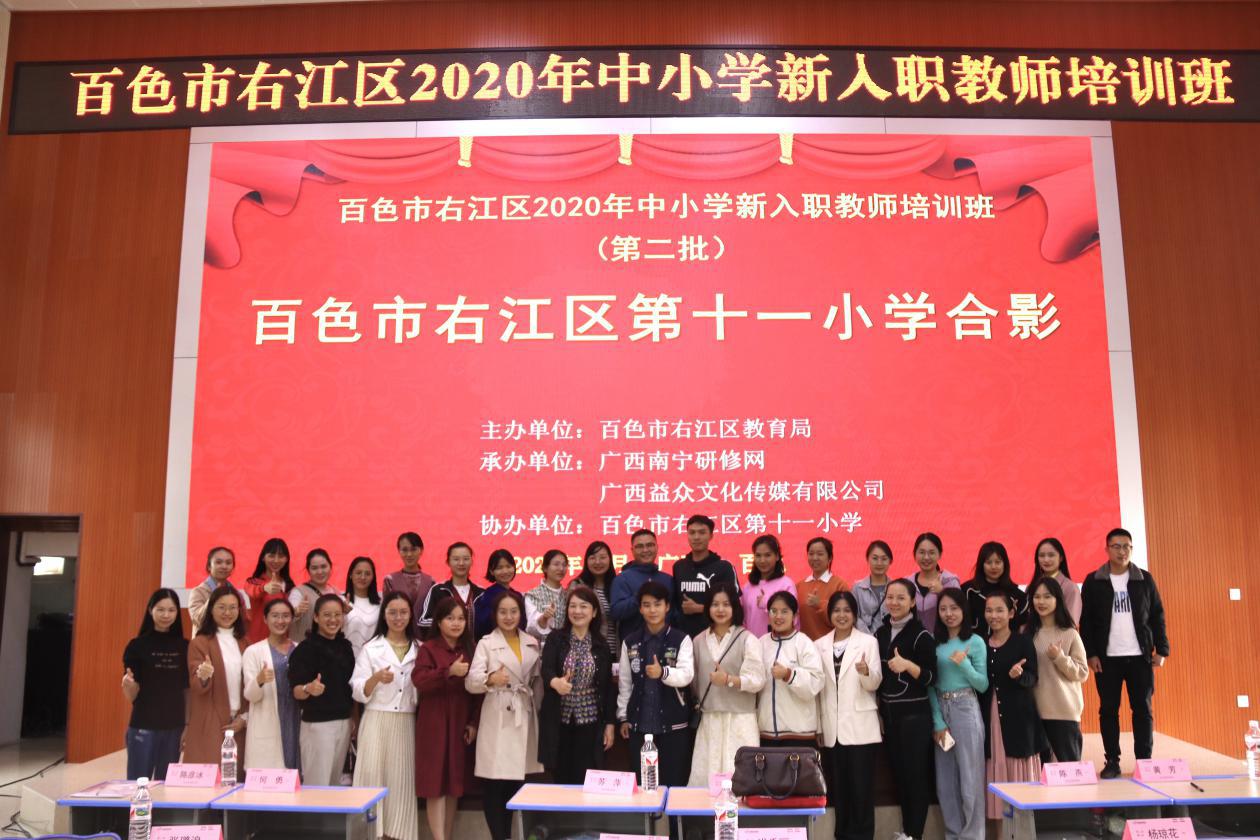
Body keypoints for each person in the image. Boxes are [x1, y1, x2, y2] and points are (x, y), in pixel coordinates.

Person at [1080, 527, 1168, 778]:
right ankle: (1112, 761)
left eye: (1126, 546)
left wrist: (1161, 649)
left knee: (1143, 710)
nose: (1122, 551)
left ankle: (1144, 762)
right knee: (1108, 710)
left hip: (1140, 656)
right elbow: (1086, 622)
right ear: (1107, 549)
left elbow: (1157, 615)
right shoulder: (1094, 581)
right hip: (1107, 659)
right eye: (1116, 546)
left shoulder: (1144, 579)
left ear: (1132, 549)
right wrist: (1091, 653)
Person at [466, 590, 543, 840]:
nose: (508, 617)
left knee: (517, 782)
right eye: (503, 612)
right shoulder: (487, 643)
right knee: (495, 782)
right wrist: (491, 679)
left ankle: (512, 835)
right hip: (498, 713)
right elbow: (471, 682)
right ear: (495, 615)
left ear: (521, 614)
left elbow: (537, 682)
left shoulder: (531, 642)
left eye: (513, 611)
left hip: (523, 712)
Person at [815, 591, 882, 840]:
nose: (841, 615)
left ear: (854, 614)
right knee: (839, 791)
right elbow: (818, 691)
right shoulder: (819, 645)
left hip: (860, 728)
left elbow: (875, 683)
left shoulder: (868, 642)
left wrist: (865, 672)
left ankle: (863, 836)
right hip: (832, 730)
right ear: (829, 614)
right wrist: (819, 726)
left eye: (846, 610)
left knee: (862, 791)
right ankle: (842, 835)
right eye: (836, 610)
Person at [351, 591, 419, 840]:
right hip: (376, 721)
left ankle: (397, 834)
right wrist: (376, 678)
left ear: (410, 615)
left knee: (401, 782)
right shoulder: (371, 648)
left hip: (406, 722)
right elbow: (358, 689)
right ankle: (369, 834)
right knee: (372, 777)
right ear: (384, 615)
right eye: (392, 612)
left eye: (403, 612)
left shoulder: (420, 649)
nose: (398, 618)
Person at [617, 580, 695, 788]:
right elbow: (625, 683)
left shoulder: (681, 639)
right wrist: (624, 717)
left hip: (674, 725)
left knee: (674, 785)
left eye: (657, 604)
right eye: (647, 605)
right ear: (640, 609)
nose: (652, 610)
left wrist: (663, 673)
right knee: (644, 786)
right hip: (639, 724)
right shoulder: (630, 642)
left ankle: (671, 813)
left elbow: (687, 675)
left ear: (667, 606)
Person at [875, 578, 937, 840]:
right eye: (890, 597)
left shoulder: (922, 635)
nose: (894, 602)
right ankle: (907, 833)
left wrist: (909, 666)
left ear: (912, 602)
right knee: (899, 778)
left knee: (915, 778)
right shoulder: (880, 634)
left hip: (915, 718)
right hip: (890, 717)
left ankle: (915, 834)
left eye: (901, 598)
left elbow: (932, 677)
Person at [413, 597, 480, 840]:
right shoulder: (428, 649)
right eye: (450, 618)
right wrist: (448, 672)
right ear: (439, 622)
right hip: (434, 723)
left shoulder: (471, 648)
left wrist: (473, 723)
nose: (456, 623)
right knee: (435, 785)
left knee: (454, 786)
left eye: (461, 618)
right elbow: (419, 680)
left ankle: (447, 836)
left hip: (460, 723)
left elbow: (478, 693)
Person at [687, 581, 764, 786]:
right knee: (706, 783)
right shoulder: (698, 641)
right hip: (710, 720)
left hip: (740, 721)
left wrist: (729, 680)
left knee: (740, 781)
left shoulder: (748, 639)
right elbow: (693, 682)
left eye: (726, 604)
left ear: (735, 607)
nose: (720, 609)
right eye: (715, 604)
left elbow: (758, 680)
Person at [538, 586, 617, 783]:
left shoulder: (601, 645)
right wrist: (555, 682)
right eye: (572, 606)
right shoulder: (556, 638)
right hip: (559, 720)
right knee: (561, 777)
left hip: (591, 722)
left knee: (587, 777)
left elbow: (607, 688)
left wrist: (610, 724)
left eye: (583, 606)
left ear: (594, 612)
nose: (577, 611)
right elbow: (546, 669)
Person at [927, 589, 988, 840]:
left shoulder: (975, 641)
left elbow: (982, 684)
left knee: (970, 778)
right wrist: (937, 721)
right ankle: (953, 834)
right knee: (945, 781)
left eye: (954, 608)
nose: (949, 614)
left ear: (964, 610)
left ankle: (973, 835)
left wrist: (964, 665)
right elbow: (930, 685)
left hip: (966, 708)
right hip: (941, 709)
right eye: (943, 609)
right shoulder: (934, 642)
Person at [982, 592, 1044, 826]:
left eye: (999, 610)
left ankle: (1023, 830)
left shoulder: (1023, 641)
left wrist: (1019, 676)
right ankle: (1001, 831)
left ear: (1010, 613)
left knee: (1018, 770)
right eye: (989, 610)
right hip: (990, 717)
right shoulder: (980, 643)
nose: (994, 615)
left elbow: (1032, 678)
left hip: (1019, 718)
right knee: (995, 765)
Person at [288, 594, 356, 785]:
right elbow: (296, 690)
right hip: (318, 725)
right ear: (316, 617)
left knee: (334, 784)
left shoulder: (346, 647)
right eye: (327, 615)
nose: (333, 620)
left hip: (344, 722)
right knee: (317, 785)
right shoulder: (305, 649)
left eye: (337, 614)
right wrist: (308, 688)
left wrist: (353, 720)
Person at [121, 588, 188, 780]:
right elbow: (132, 696)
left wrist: (187, 725)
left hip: (174, 727)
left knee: (166, 785)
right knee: (137, 784)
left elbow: (187, 690)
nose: (166, 615)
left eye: (171, 610)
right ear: (150, 610)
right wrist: (128, 685)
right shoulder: (136, 646)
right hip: (143, 724)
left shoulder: (185, 646)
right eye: (160, 609)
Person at [1027, 577, 1089, 763]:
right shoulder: (1028, 634)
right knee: (1041, 771)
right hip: (1035, 712)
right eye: (1037, 597)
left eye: (1047, 596)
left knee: (1069, 768)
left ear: (1058, 599)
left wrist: (1060, 658)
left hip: (1064, 711)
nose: (1041, 601)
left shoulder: (1070, 633)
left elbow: (1082, 673)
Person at [184, 586, 249, 764]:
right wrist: (203, 676)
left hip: (240, 722)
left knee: (236, 776)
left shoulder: (245, 643)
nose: (227, 613)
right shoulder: (199, 643)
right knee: (212, 773)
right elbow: (197, 686)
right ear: (211, 609)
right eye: (221, 607)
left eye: (233, 607)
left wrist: (244, 718)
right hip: (211, 720)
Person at [757, 591, 823, 745]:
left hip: (799, 734)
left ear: (795, 616)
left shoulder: (804, 643)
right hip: (765, 733)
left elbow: (816, 682)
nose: (778, 616)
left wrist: (788, 674)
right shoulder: (760, 643)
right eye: (774, 611)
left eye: (784, 611)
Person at [242, 598, 300, 770]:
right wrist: (259, 680)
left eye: (286, 616)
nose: (280, 621)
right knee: (270, 778)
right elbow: (250, 696)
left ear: (292, 618)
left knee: (298, 775)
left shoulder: (300, 649)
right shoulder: (253, 651)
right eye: (275, 616)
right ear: (265, 619)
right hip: (267, 721)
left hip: (295, 718)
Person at [671, 514, 738, 638]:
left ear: (711, 535)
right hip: (683, 638)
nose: (696, 537)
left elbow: (735, 606)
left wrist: (700, 608)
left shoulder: (724, 567)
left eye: (702, 532)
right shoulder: (679, 567)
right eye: (692, 533)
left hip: (716, 636)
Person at [609, 529, 675, 641]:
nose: (645, 550)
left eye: (650, 545)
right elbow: (616, 612)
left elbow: (674, 614)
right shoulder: (622, 579)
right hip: (633, 645)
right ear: (632, 550)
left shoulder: (668, 579)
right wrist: (640, 596)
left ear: (657, 547)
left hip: (666, 644)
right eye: (640, 546)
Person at [962, 542, 1027, 637]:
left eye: (998, 562)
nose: (993, 567)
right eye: (988, 562)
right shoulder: (968, 591)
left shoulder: (1017, 595)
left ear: (1005, 564)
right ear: (981, 565)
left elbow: (1022, 628)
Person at [419, 541, 486, 631]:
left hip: (476, 641)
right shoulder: (438, 590)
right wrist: (447, 623)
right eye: (456, 559)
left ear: (471, 561)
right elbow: (423, 621)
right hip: (445, 640)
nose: (461, 563)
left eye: (466, 559)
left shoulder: (482, 593)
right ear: (448, 562)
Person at [741, 534, 798, 637]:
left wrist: (768, 604)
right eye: (758, 555)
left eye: (767, 555)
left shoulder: (786, 584)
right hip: (751, 643)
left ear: (777, 556)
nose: (762, 560)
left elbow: (794, 619)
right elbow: (743, 620)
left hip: (779, 643)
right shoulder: (747, 587)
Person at [383, 531, 435, 638]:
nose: (409, 554)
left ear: (421, 550)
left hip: (425, 638)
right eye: (405, 550)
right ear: (399, 551)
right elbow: (387, 612)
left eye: (413, 549)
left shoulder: (431, 582)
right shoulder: (390, 580)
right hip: (398, 637)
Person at [797, 536, 850, 640]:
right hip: (805, 646)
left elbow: (845, 619)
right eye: (811, 554)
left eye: (820, 554)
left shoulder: (840, 585)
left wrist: (820, 604)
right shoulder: (799, 586)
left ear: (830, 558)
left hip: (831, 645)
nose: (815, 558)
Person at [188, 546, 251, 633]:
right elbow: (198, 620)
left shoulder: (237, 594)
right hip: (206, 641)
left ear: (233, 567)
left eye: (228, 563)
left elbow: (244, 624)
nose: (224, 566)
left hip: (230, 640)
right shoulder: (198, 592)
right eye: (218, 562)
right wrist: (214, 597)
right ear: (209, 566)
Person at [573, 540, 619, 658]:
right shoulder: (577, 586)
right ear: (586, 561)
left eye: (602, 557)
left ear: (610, 560)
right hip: (588, 651)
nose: (597, 562)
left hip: (615, 651)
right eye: (592, 558)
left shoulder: (618, 585)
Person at [244, 538, 294, 643]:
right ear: (263, 557)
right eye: (271, 555)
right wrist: (264, 588)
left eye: (281, 556)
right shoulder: (254, 582)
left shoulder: (291, 586)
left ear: (286, 559)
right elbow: (252, 591)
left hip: (283, 643)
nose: (276, 560)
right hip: (258, 642)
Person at [911, 533, 960, 635]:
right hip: (915, 641)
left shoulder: (950, 581)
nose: (926, 557)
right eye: (922, 552)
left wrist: (942, 592)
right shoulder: (907, 583)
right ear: (914, 554)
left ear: (940, 554)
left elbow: (960, 610)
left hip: (944, 640)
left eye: (931, 553)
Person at [289, 548, 341, 643]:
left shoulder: (336, 592)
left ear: (330, 567)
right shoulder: (298, 592)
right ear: (308, 570)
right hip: (304, 648)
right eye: (314, 568)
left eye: (323, 566)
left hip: (330, 648)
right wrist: (296, 612)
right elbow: (287, 616)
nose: (320, 572)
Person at [473, 548, 527, 640]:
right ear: (491, 571)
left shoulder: (518, 596)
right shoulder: (486, 597)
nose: (505, 571)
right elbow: (480, 629)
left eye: (508, 566)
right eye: (499, 568)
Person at [1028, 538, 1081, 631]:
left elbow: (1071, 624)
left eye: (1051, 555)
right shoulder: (1032, 586)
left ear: (1061, 558)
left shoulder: (1070, 588)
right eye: (1042, 555)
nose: (1046, 559)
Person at [525, 548, 569, 640]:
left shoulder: (568, 595)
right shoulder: (533, 595)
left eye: (564, 565)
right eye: (556, 564)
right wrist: (544, 618)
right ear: (545, 568)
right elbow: (531, 629)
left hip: (565, 646)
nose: (561, 568)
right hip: (541, 646)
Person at [343, 556, 381, 657]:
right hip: (343, 658)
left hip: (371, 658)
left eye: (367, 574)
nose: (363, 577)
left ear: (373, 577)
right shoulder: (339, 601)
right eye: (358, 573)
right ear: (350, 574)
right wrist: (342, 613)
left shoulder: (381, 604)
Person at [853, 540, 893, 635]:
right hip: (864, 640)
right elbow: (854, 616)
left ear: (890, 561)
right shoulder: (858, 588)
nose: (879, 563)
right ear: (867, 559)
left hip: (891, 639)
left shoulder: (896, 588)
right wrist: (869, 639)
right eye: (875, 558)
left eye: (884, 559)